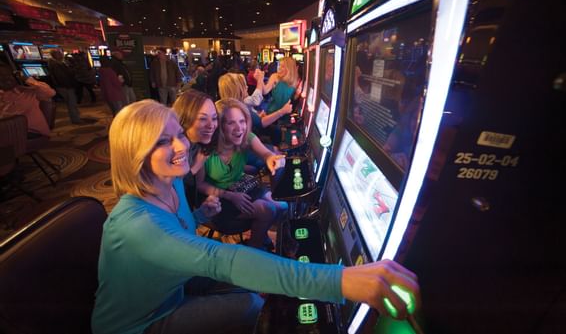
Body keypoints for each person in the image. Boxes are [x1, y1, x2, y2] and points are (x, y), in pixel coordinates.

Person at [92, 98, 421, 334]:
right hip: (141, 323)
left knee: (258, 288)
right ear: (135, 154)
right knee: (248, 303)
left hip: (171, 287)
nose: (180, 146)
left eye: (179, 134)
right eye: (163, 142)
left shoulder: (172, 182)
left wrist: (199, 212)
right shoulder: (138, 224)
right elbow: (220, 258)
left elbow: (176, 232)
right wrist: (341, 281)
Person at [195, 98, 286, 249]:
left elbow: (265, 153)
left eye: (242, 121)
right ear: (220, 126)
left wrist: (271, 158)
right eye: (231, 123)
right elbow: (200, 184)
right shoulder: (206, 148)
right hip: (216, 199)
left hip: (241, 186)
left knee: (282, 206)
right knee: (267, 210)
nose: (239, 128)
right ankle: (253, 252)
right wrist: (230, 196)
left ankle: (266, 237)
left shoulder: (246, 137)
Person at [172, 89, 218, 207]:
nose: (211, 125)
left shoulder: (199, 144)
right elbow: (173, 188)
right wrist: (195, 167)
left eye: (214, 118)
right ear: (184, 118)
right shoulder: (171, 149)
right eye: (203, 119)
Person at [218, 71, 292, 134]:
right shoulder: (239, 107)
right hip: (251, 142)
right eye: (244, 86)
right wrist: (282, 111)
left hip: (252, 136)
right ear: (237, 90)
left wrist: (257, 116)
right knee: (276, 131)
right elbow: (261, 123)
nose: (247, 87)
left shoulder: (234, 104)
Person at [0, 63, 55, 137]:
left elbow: (50, 93)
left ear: (15, 76)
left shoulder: (29, 92)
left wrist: (27, 79)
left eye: (8, 75)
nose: (6, 79)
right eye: (1, 77)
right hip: (7, 131)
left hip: (30, 131)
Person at [47, 49, 82, 124]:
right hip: (65, 86)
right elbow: (63, 77)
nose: (61, 55)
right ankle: (76, 119)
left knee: (71, 103)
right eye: (59, 54)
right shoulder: (56, 65)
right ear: (55, 55)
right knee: (72, 103)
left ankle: (75, 118)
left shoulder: (56, 64)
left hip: (63, 86)